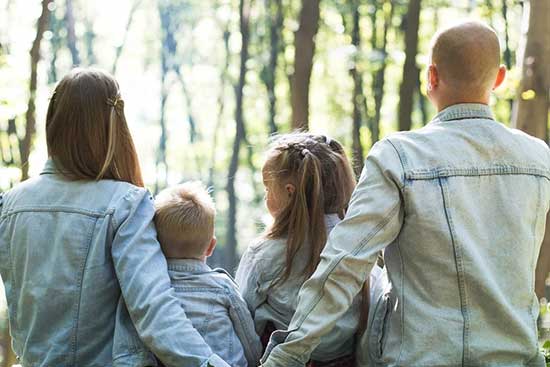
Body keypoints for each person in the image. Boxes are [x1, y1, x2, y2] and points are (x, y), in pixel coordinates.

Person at [260, 21, 550, 367]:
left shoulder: (400, 157)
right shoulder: (538, 158)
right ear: (500, 78)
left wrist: (287, 356)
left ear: (431, 77)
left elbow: (344, 264)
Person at [0, 68, 229, 367]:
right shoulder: (125, 204)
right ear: (114, 125)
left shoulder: (10, 203)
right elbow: (155, 311)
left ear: (53, 121)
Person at [236, 133, 385, 366]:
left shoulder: (264, 254)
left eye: (267, 188)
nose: (266, 196)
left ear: (289, 191)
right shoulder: (359, 249)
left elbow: (243, 317)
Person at [114, 182, 262, 367]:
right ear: (210, 246)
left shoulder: (147, 289)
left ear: (155, 244)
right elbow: (248, 338)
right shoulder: (222, 287)